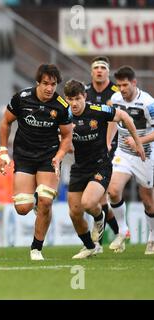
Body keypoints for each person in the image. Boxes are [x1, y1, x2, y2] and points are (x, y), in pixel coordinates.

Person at [0, 64, 73, 261]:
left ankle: (36, 248)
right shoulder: (21, 99)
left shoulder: (62, 106)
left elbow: (67, 137)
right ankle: (38, 205)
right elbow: (5, 122)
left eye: (54, 84)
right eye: (46, 83)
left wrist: (59, 155)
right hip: (24, 156)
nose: (50, 88)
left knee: (46, 200)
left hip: (48, 157)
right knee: (23, 208)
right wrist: (3, 151)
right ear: (38, 82)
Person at [63, 80, 144, 259]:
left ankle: (99, 219)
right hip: (79, 168)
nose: (74, 103)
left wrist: (138, 143)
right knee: (74, 212)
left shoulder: (98, 111)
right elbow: (58, 136)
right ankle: (90, 246)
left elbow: (124, 117)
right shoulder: (64, 115)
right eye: (70, 99)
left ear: (84, 97)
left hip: (100, 165)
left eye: (77, 98)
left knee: (89, 203)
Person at [107, 66, 154, 254]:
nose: (122, 89)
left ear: (134, 83)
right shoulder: (116, 99)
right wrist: (108, 142)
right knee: (113, 190)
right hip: (123, 153)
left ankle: (152, 236)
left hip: (145, 155)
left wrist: (138, 142)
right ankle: (122, 231)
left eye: (125, 85)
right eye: (119, 85)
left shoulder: (148, 103)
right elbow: (112, 120)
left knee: (147, 200)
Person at [85, 56, 121, 250]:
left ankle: (98, 241)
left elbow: (117, 119)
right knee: (99, 199)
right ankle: (119, 233)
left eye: (103, 67)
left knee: (103, 195)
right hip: (88, 149)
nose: (99, 70)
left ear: (108, 72)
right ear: (91, 72)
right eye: (96, 67)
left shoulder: (116, 93)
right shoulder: (84, 92)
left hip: (112, 149)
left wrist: (108, 143)